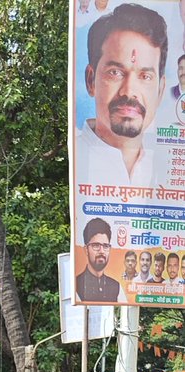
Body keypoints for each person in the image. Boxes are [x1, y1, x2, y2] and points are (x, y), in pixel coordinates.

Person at [76, 3, 168, 186]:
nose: (129, 91)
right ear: (90, 80)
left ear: (160, 91)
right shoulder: (74, 159)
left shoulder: (169, 169)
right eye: (115, 72)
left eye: (145, 76)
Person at [75, 218, 124, 302]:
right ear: (86, 249)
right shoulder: (76, 284)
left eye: (105, 246)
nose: (101, 251)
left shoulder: (116, 287)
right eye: (96, 245)